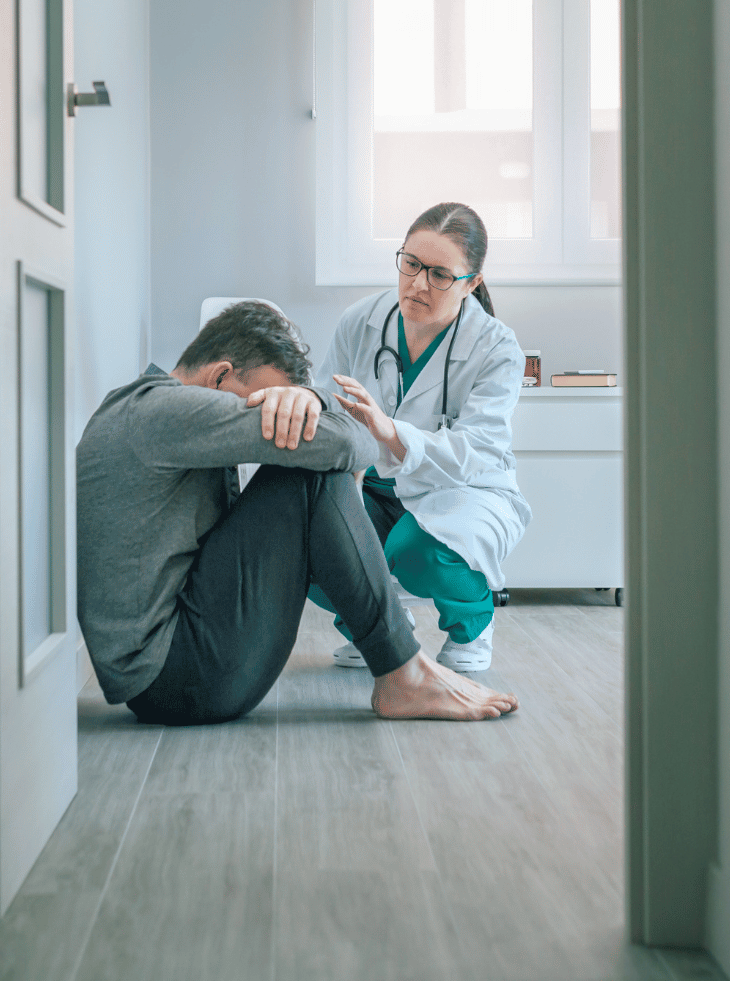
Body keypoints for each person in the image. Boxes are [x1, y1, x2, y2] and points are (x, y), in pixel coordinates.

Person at [75, 300, 519, 726]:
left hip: (175, 670)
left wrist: (311, 401)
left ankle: (399, 660)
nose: (276, 415)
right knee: (309, 474)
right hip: (178, 677)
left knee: (309, 465)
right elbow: (352, 442)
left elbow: (360, 444)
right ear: (220, 377)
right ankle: (403, 671)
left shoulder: (142, 407)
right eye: (268, 402)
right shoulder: (167, 412)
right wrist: (316, 402)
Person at [314, 202, 531, 673]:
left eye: (439, 274)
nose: (417, 284)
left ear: (471, 281)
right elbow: (326, 403)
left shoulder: (496, 347)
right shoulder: (362, 319)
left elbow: (478, 450)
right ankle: (378, 626)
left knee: (416, 552)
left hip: (462, 490)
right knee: (309, 539)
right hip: (370, 484)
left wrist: (391, 431)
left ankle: (471, 627)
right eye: (411, 264)